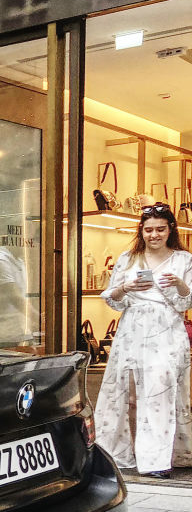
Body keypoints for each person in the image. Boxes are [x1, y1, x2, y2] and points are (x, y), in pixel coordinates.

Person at [95, 203, 192, 478]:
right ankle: (112, 453)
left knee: (160, 390)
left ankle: (157, 459)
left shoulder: (183, 260)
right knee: (121, 391)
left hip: (167, 330)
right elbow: (113, 299)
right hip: (132, 329)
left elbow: (187, 300)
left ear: (170, 229)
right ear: (141, 231)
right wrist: (126, 287)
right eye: (148, 230)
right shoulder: (128, 258)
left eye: (160, 229)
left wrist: (179, 285)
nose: (154, 235)